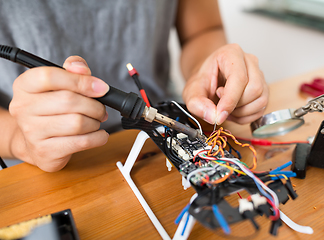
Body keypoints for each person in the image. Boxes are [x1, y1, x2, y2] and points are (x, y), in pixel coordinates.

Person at [0, 0, 268, 172]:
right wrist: (18, 139)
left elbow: (203, 29)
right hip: (41, 165)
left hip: (162, 133)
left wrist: (207, 72)